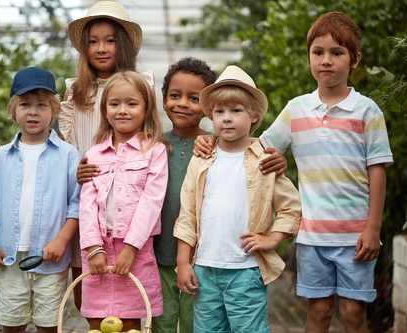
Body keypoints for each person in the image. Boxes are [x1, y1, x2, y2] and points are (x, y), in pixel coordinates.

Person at [259, 12, 393, 333]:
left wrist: (373, 229)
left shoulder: (367, 111)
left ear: (355, 59)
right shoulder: (296, 108)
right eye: (318, 52)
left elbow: (377, 171)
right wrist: (213, 141)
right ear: (308, 58)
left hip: (356, 237)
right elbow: (261, 152)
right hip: (311, 236)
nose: (326, 61)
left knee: (351, 313)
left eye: (337, 53)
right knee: (317, 314)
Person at [174, 65, 301, 333]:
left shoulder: (264, 160)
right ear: (211, 116)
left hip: (245, 269)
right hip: (205, 268)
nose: (226, 118)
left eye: (236, 111)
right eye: (219, 111)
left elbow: (290, 207)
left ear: (253, 117)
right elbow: (188, 214)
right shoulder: (201, 160)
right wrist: (183, 263)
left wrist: (273, 239)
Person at [60, 1, 155, 311]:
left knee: (131, 295)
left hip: (130, 203)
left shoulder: (142, 86)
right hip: (88, 205)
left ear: (123, 45)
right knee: (87, 291)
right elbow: (66, 149)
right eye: (93, 41)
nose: (101, 48)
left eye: (110, 40)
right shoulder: (75, 93)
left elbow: (153, 139)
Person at [0, 67, 82, 333]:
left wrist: (61, 240)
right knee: (11, 323)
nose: (33, 111)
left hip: (51, 258)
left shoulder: (69, 155)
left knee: (49, 325)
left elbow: (76, 203)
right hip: (8, 255)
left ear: (54, 110)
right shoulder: (2, 157)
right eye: (24, 104)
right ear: (13, 110)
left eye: (41, 105)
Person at [79, 71, 168, 331]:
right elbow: (87, 205)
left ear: (146, 108)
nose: (122, 110)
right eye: (115, 104)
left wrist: (131, 247)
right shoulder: (94, 154)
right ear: (105, 109)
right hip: (98, 251)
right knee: (98, 323)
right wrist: (93, 248)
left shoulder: (154, 151)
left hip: (135, 251)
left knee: (129, 323)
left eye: (132, 103)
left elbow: (152, 201)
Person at [152, 57, 217, 333]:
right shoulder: (153, 143)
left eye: (194, 98)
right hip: (158, 251)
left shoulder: (216, 143)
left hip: (199, 256)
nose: (182, 104)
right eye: (175, 95)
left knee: (196, 322)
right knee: (162, 321)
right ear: (164, 99)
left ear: (208, 107)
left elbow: (249, 145)